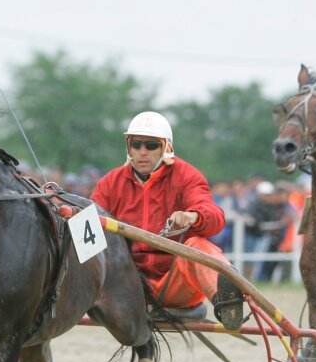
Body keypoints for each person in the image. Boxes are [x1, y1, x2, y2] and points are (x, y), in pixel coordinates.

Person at [91, 111, 244, 329]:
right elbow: (87, 231)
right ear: (128, 147)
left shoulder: (186, 175)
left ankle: (227, 301)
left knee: (196, 244)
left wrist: (194, 216)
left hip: (174, 283)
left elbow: (215, 216)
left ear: (166, 147)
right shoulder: (110, 182)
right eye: (136, 144)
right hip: (128, 283)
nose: (142, 152)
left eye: (151, 145)